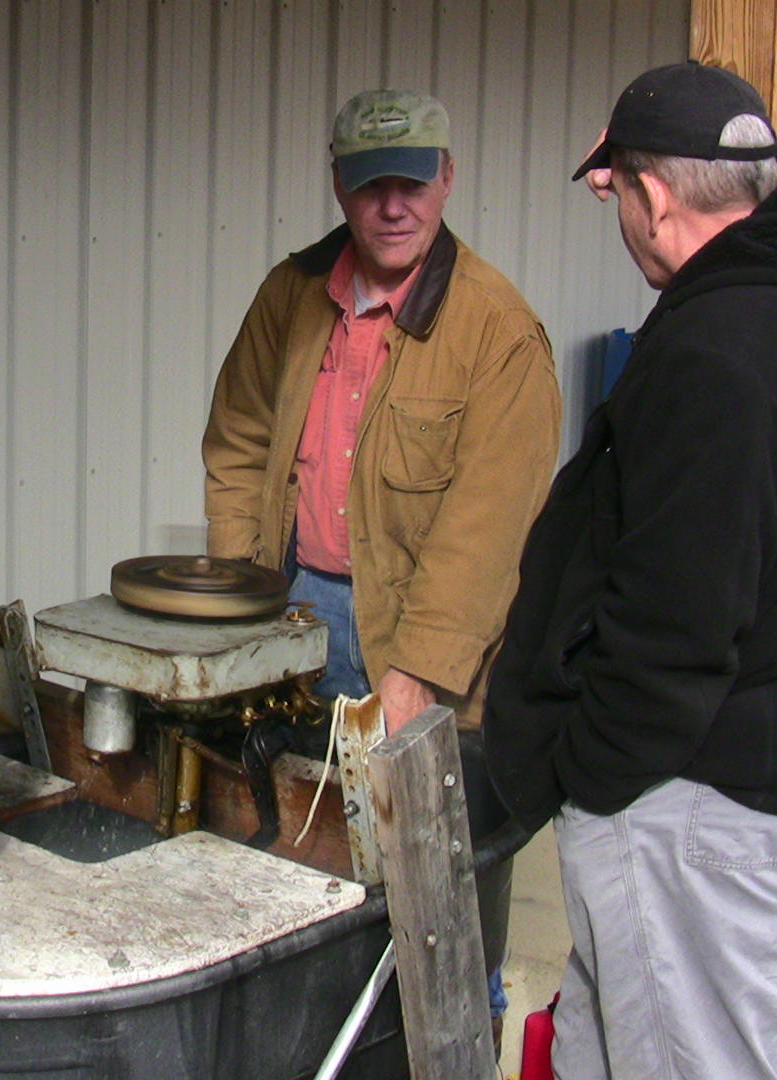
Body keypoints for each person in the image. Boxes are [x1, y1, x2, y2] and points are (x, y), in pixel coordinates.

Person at [483, 62, 777, 1080]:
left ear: (655, 196)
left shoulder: (722, 351)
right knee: (599, 1048)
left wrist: (594, 783)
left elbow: (674, 624)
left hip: (695, 804)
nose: (619, 216)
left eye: (621, 193)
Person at [203, 88, 561, 1041]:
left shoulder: (498, 332)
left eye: (412, 183)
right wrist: (242, 599)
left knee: (442, 901)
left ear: (447, 179)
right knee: (302, 859)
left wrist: (417, 672)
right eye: (371, 186)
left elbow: (490, 528)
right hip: (295, 620)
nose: (393, 206)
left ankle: (460, 1047)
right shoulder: (291, 294)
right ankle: (332, 1040)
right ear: (339, 186)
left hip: (423, 640)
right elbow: (238, 438)